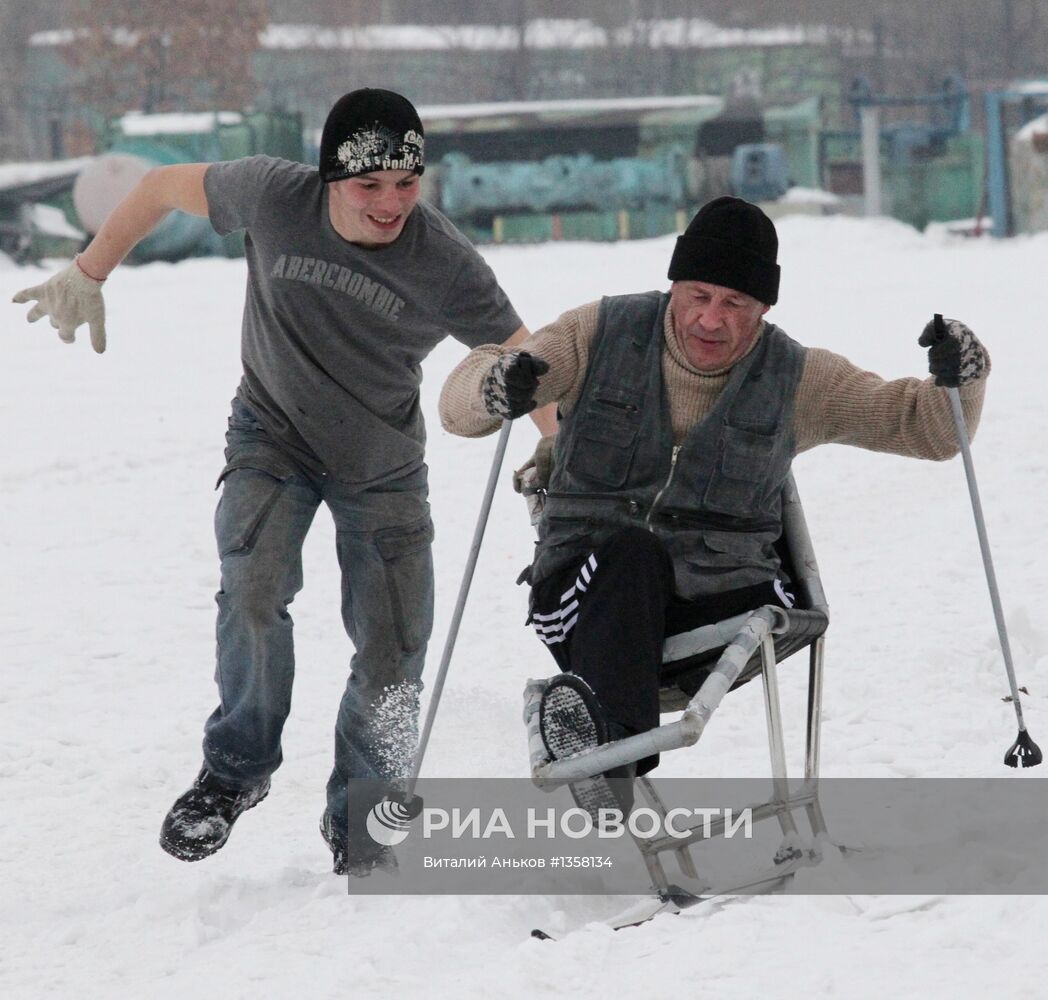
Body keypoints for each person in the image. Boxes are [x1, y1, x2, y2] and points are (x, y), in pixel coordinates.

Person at [12, 88, 555, 875]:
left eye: (406, 184)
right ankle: (234, 770)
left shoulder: (442, 260)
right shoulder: (272, 193)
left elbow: (526, 358)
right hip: (272, 433)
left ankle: (364, 811)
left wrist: (556, 458)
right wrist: (90, 270)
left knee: (395, 644)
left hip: (380, 462)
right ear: (331, 176)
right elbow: (159, 186)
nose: (390, 203)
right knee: (254, 588)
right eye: (369, 185)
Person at [438, 196, 990, 816]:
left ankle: (598, 745)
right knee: (632, 551)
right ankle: (606, 770)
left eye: (735, 304)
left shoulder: (799, 377)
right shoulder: (599, 333)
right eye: (698, 295)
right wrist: (495, 385)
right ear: (674, 285)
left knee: (710, 580)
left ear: (763, 309)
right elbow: (460, 406)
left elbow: (929, 429)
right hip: (589, 597)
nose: (711, 319)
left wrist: (963, 375)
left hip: (720, 608)